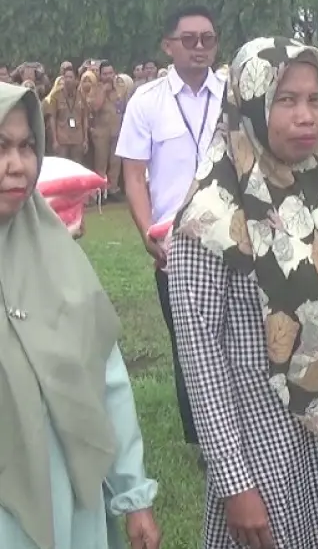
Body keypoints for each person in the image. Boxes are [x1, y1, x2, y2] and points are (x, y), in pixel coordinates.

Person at [165, 38, 318, 548]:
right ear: (251, 102)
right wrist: (235, 482)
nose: (306, 116)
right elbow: (201, 360)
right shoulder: (210, 218)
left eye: (315, 100)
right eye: (286, 100)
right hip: (268, 448)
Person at [0, 83, 161, 549]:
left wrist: (133, 494)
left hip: (70, 500)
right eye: (1, 147)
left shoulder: (59, 259)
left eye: (27, 146)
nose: (17, 164)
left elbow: (107, 380)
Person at [117, 4, 226, 456]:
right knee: (190, 342)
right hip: (175, 245)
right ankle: (203, 441)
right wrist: (148, 235)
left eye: (207, 39)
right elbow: (134, 176)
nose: (199, 48)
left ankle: (246, 426)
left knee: (242, 335)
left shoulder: (233, 97)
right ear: (168, 45)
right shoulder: (147, 102)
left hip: (233, 238)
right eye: (189, 40)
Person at [86, 61, 126, 198]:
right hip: (101, 132)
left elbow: (123, 105)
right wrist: (103, 91)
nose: (108, 76)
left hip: (117, 130)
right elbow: (95, 107)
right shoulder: (95, 88)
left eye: (110, 73)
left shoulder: (120, 87)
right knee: (101, 164)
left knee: (115, 163)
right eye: (105, 73)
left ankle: (112, 189)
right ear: (100, 75)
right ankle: (100, 192)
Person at [48, 66, 89, 163]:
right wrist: (54, 140)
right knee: (62, 166)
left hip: (77, 139)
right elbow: (52, 118)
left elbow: (85, 118)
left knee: (77, 166)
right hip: (62, 140)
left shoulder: (81, 96)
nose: (68, 80)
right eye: (66, 77)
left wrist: (85, 139)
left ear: (76, 80)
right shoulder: (56, 96)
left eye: (71, 77)